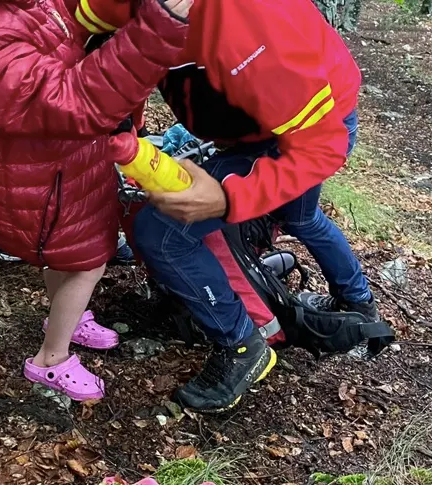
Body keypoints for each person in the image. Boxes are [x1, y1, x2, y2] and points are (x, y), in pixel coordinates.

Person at [0, 0, 189, 401]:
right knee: (88, 262)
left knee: (64, 253)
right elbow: (75, 101)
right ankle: (51, 360)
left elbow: (56, 27)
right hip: (32, 179)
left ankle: (65, 318)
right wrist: (159, 28)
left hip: (51, 164)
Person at [119, 0, 377, 412]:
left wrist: (228, 198)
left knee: (167, 231)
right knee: (298, 216)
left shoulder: (253, 19)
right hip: (259, 127)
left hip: (306, 129)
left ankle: (244, 345)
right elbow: (115, 55)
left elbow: (318, 146)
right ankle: (354, 300)